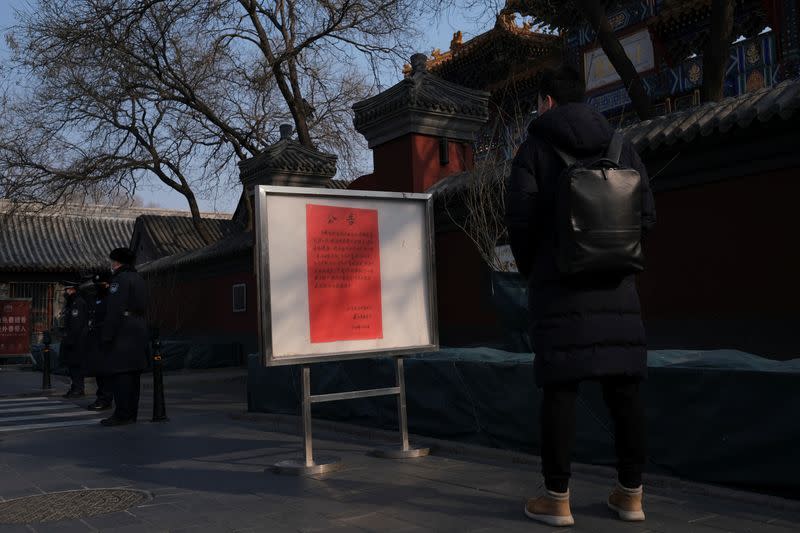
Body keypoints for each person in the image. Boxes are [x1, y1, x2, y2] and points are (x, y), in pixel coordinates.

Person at [505, 65, 656, 527]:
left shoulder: (533, 150)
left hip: (560, 289)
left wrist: (540, 271)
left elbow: (521, 224)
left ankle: (557, 498)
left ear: (546, 101)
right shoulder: (621, 145)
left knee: (560, 391)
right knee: (625, 390)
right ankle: (631, 496)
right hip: (617, 287)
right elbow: (646, 215)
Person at [100, 247, 148, 426]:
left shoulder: (119, 281)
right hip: (138, 330)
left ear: (117, 262)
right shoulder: (139, 278)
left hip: (122, 333)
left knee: (121, 376)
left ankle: (122, 414)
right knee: (134, 376)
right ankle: (131, 414)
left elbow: (114, 310)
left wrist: (107, 336)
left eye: (112, 261)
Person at [85, 272, 114, 411]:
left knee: (106, 371)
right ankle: (101, 397)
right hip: (95, 340)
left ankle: (105, 398)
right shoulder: (95, 298)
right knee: (98, 371)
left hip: (106, 340)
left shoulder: (112, 299)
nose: (98, 287)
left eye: (101, 284)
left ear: (108, 284)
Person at [60, 281, 89, 398]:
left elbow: (77, 324)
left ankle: (78, 388)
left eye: (67, 290)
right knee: (72, 365)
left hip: (77, 340)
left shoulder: (78, 303)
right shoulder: (71, 303)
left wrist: (71, 340)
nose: (65, 292)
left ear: (73, 290)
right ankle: (75, 387)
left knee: (76, 365)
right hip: (71, 339)